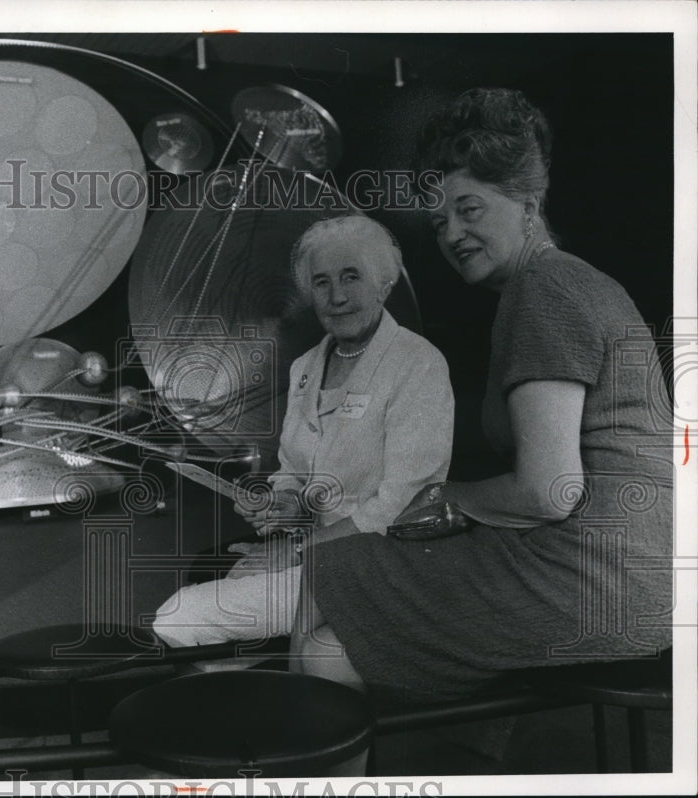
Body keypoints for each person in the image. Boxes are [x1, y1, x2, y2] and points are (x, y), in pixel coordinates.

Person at [289, 88, 674, 702]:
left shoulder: (544, 291)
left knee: (333, 592)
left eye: (469, 209)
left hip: (600, 583)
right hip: (641, 571)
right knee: (363, 569)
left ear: (528, 202)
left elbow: (551, 490)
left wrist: (443, 498)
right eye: (441, 221)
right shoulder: (572, 281)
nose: (452, 234)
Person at [151, 215, 454, 650]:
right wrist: (280, 504)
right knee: (217, 576)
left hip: (377, 562)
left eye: (351, 277)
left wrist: (294, 551)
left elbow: (401, 507)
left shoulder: (418, 364)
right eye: (321, 282)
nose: (337, 296)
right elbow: (294, 471)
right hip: (310, 549)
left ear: (384, 283)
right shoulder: (306, 367)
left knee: (180, 615)